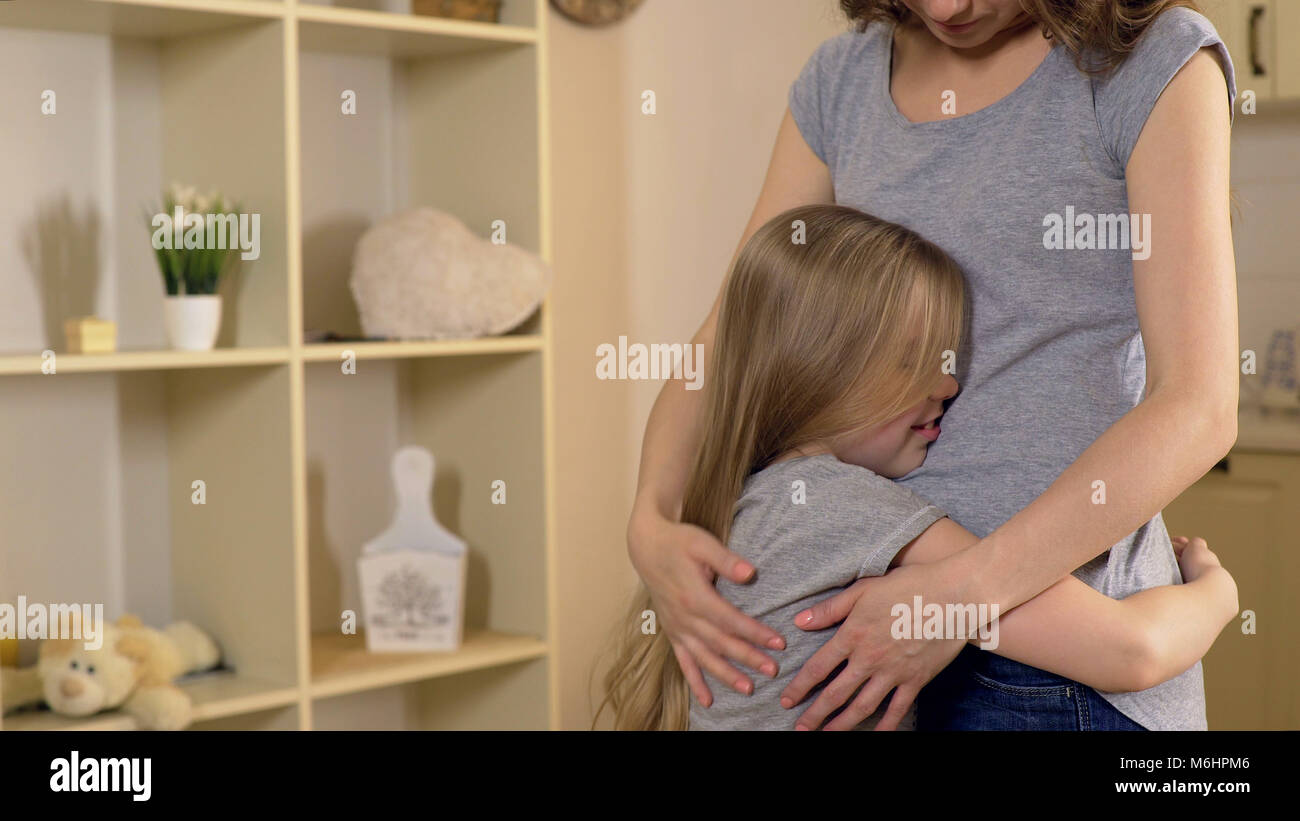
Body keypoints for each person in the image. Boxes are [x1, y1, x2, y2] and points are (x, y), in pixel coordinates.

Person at [623, 0, 1238, 731]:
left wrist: (958, 595)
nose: (949, 8)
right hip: (865, 640)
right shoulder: (842, 80)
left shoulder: (1150, 62)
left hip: (1056, 666)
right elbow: (734, 331)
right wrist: (650, 518)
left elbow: (1198, 406)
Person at [599, 204, 1237, 730]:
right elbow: (1131, 651)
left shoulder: (748, 508)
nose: (949, 382)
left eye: (951, 355)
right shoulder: (843, 509)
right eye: (912, 359)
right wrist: (1217, 592)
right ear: (815, 369)